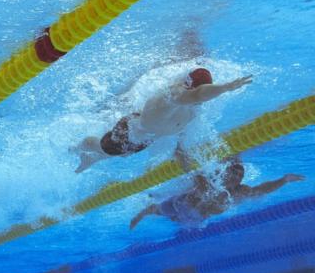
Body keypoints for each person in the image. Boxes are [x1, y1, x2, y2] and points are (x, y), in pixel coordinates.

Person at [75, 68, 252, 172]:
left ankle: (91, 159)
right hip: (131, 132)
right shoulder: (173, 95)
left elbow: (185, 126)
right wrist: (225, 87)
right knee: (106, 148)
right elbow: (196, 94)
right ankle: (78, 147)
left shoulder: (193, 108)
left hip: (147, 135)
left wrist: (181, 152)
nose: (204, 99)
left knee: (123, 154)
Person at [130, 149, 304, 229]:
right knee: (157, 209)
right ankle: (140, 213)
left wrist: (284, 180)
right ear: (225, 173)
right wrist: (180, 152)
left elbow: (260, 190)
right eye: (234, 172)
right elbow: (191, 169)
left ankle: (148, 212)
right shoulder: (207, 184)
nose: (237, 176)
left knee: (177, 215)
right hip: (180, 205)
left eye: (240, 174)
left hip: (194, 218)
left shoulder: (239, 190)